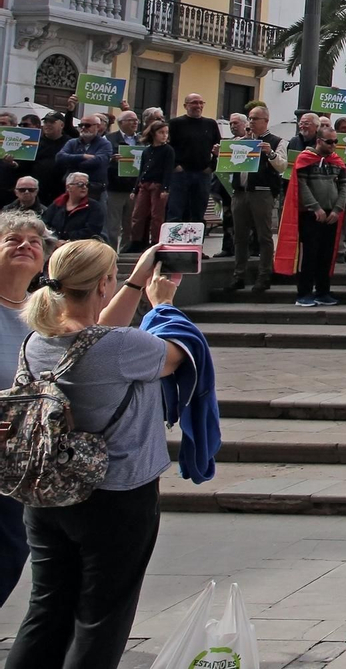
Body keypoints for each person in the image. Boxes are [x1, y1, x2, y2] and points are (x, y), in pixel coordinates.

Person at [7, 239, 183, 669]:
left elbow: (96, 333)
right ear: (105, 283)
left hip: (45, 492)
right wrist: (161, 303)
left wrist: (138, 280)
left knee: (46, 610)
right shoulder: (125, 348)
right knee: (101, 618)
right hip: (115, 495)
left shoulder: (36, 341)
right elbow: (179, 354)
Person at [0, 211, 51, 606]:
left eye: (35, 241)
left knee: (11, 551)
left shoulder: (45, 315)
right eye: (12, 239)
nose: (25, 245)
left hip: (23, 461)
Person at [229, 105, 285, 296]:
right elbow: (228, 166)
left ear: (265, 121)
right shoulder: (240, 141)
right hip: (240, 193)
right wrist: (220, 154)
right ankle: (239, 275)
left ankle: (264, 276)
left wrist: (270, 153)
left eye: (255, 119)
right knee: (240, 236)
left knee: (264, 235)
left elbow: (282, 166)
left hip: (262, 192)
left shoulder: (276, 141)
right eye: (250, 118)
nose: (251, 122)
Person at [290, 129, 345, 306]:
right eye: (329, 142)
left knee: (326, 255)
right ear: (319, 141)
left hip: (332, 213)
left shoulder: (336, 161)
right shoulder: (305, 158)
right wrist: (315, 208)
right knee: (310, 255)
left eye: (335, 142)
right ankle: (304, 293)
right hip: (311, 214)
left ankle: (323, 291)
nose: (333, 146)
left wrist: (337, 209)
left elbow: (344, 185)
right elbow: (302, 184)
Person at [164, 93, 221, 223]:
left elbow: (219, 147)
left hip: (203, 174)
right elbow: (168, 148)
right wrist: (175, 166)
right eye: (194, 103)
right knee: (175, 211)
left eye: (201, 103)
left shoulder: (210, 124)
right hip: (180, 175)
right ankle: (174, 242)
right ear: (185, 105)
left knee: (198, 213)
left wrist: (212, 166)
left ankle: (196, 242)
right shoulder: (175, 124)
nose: (198, 106)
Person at [127, 120, 172, 249]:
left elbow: (168, 170)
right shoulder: (147, 151)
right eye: (161, 132)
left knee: (156, 215)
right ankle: (136, 241)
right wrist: (135, 189)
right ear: (153, 134)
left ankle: (156, 241)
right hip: (144, 184)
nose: (164, 135)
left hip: (157, 185)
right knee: (138, 214)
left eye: (166, 133)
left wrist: (165, 188)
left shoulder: (168, 150)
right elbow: (141, 171)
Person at [53, 114, 112, 201]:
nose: (83, 128)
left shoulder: (105, 144)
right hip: (72, 190)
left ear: (98, 126)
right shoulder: (72, 142)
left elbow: (98, 161)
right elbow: (59, 157)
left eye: (87, 125)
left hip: (95, 190)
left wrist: (72, 163)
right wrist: (83, 156)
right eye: (81, 125)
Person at [45, 173, 105, 244]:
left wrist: (68, 240)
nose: (84, 187)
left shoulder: (94, 207)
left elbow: (92, 230)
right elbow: (45, 225)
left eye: (87, 185)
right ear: (68, 187)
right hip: (55, 244)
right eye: (80, 184)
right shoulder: (57, 204)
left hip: (81, 246)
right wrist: (55, 240)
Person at [30, 114, 67, 205]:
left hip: (61, 190)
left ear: (61, 125)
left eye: (52, 122)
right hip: (38, 190)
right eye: (45, 122)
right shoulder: (35, 141)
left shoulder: (70, 142)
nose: (47, 125)